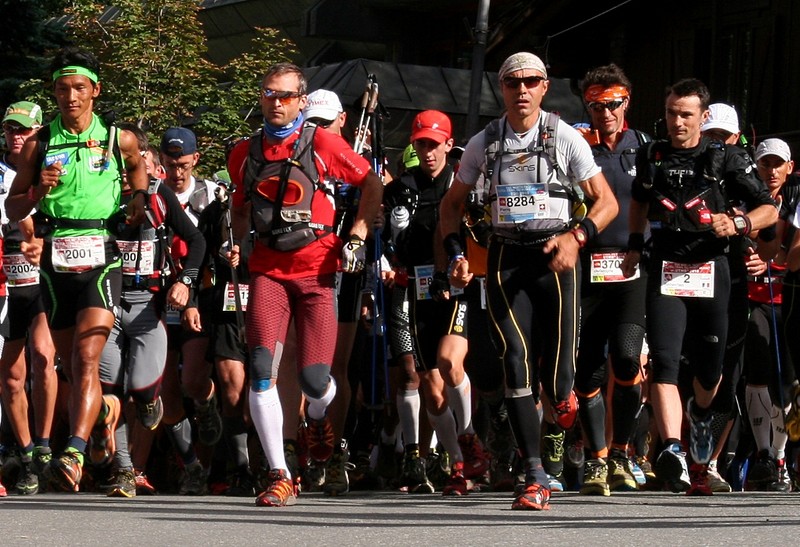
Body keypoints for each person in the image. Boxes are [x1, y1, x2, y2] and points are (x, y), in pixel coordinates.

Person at [439, 51, 619, 510]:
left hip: (555, 257)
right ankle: (534, 473)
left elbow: (607, 202)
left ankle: (564, 403)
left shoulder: (566, 138)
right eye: (512, 82)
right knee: (513, 360)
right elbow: (450, 205)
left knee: (558, 383)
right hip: (504, 257)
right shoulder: (485, 141)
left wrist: (578, 237)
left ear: (545, 86)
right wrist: (457, 253)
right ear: (501, 89)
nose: (521, 89)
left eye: (531, 81)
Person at [227, 62, 383, 507]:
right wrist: (236, 243)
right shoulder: (243, 152)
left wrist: (356, 235)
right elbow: (240, 208)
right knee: (261, 370)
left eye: (284, 96)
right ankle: (280, 473)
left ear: (301, 99)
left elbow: (371, 182)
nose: (275, 103)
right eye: (268, 94)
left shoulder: (323, 143)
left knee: (316, 380)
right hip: (268, 270)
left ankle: (317, 416)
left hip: (317, 271)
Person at [621, 78, 778, 496]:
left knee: (709, 375)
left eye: (686, 114)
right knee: (666, 362)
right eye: (671, 112)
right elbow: (638, 200)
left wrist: (740, 222)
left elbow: (768, 208)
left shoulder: (725, 157)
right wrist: (636, 245)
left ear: (702, 117)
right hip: (667, 268)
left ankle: (700, 412)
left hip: (713, 269)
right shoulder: (652, 154)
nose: (677, 121)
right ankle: (673, 447)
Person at [4, 47, 149, 493]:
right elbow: (13, 207)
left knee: (88, 358)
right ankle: (104, 412)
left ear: (95, 92)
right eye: (63, 89)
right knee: (70, 363)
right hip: (54, 256)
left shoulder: (117, 138)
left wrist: (138, 200)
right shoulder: (39, 142)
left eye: (79, 88)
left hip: (101, 254)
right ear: (54, 92)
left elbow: (139, 165)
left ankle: (75, 450)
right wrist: (34, 193)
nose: (71, 96)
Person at [383, 110, 490, 496]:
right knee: (430, 387)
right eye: (421, 144)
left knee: (449, 361)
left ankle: (471, 438)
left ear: (448, 144)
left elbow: (479, 228)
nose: (428, 152)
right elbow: (390, 238)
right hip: (417, 288)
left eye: (434, 144)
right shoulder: (399, 188)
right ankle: (459, 465)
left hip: (457, 286)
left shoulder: (462, 182)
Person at [97, 123, 206, 497]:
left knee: (143, 392)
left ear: (145, 162)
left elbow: (196, 240)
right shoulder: (99, 193)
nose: (128, 174)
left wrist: (185, 283)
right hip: (107, 305)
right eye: (120, 165)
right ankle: (125, 471)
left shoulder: (159, 196)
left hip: (148, 308)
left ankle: (154, 405)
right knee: (113, 394)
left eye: (133, 164)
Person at [571, 64, 650, 496]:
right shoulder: (579, 146)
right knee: (587, 370)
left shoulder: (644, 148)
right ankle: (596, 459)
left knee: (625, 356)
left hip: (631, 265)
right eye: (596, 105)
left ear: (627, 102)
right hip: (587, 265)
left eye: (613, 104)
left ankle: (621, 451)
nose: (606, 112)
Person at [0, 101, 58, 496]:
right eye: (10, 130)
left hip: (47, 279)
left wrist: (42, 241)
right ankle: (25, 456)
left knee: (44, 357)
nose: (16, 137)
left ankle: (45, 447)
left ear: (39, 133)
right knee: (12, 374)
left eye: (24, 130)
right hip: (9, 281)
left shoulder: (53, 166)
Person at [744, 138, 798, 491]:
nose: (772, 170)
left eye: (778, 164)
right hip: (751, 298)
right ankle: (765, 457)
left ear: (789, 168)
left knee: (786, 383)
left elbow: (792, 253)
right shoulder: (743, 195)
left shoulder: (795, 202)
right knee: (757, 371)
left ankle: (780, 455)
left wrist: (772, 259)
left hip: (787, 300)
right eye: (766, 163)